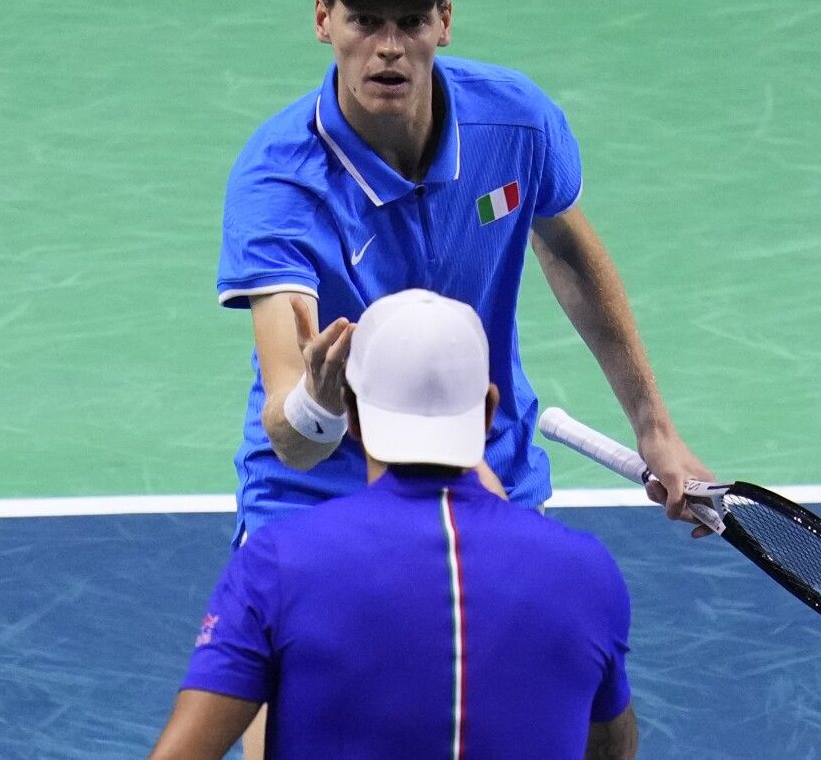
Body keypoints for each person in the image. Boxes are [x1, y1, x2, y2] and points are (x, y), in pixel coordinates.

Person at [216, 0, 716, 548]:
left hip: (486, 470)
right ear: (324, 19)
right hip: (323, 503)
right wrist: (320, 405)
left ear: (444, 22)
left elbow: (569, 254)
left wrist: (654, 428)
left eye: (412, 20)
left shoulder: (515, 125)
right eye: (365, 20)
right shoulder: (280, 186)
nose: (389, 46)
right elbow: (292, 441)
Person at [149, 289, 639, 760]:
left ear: (353, 416)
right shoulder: (586, 572)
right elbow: (612, 747)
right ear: (489, 412)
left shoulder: (277, 564)